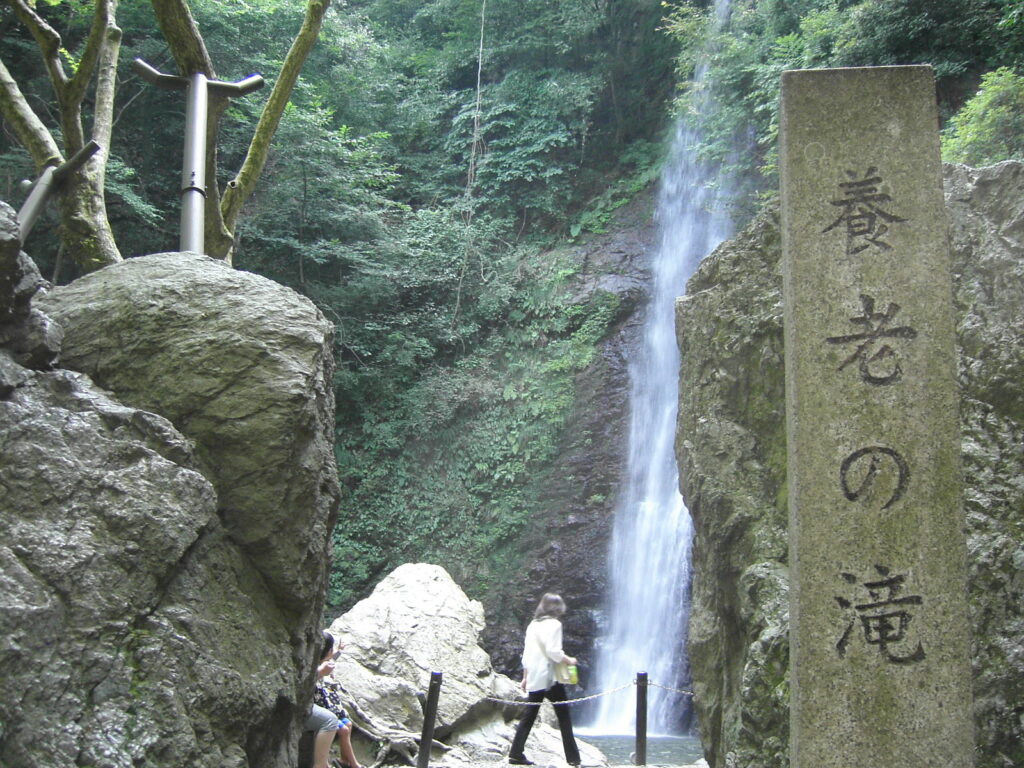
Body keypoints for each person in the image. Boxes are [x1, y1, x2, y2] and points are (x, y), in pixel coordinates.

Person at [508, 593, 582, 767]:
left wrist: (525, 677)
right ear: (557, 608)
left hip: (535, 675)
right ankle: (573, 759)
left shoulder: (533, 625)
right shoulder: (555, 625)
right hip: (550, 678)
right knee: (564, 716)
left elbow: (527, 653)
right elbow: (553, 652)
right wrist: (569, 660)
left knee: (529, 715)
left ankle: (515, 753)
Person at [314, 630, 363, 768]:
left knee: (348, 724)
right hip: (323, 706)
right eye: (331, 648)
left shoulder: (323, 662)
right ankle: (354, 764)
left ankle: (344, 760)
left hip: (329, 705)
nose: (332, 651)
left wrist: (339, 651)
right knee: (344, 730)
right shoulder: (316, 666)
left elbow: (332, 659)